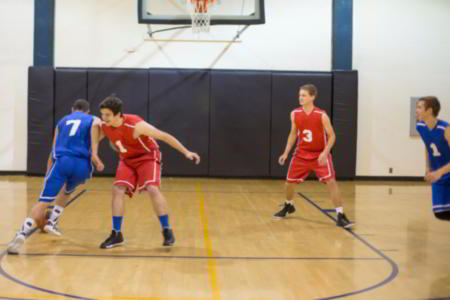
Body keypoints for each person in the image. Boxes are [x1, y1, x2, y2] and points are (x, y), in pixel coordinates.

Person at [97, 95, 200, 248]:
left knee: (152, 188)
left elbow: (164, 136)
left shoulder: (137, 125)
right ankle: (116, 233)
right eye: (102, 114)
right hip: (127, 159)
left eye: (107, 115)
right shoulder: (104, 126)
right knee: (118, 189)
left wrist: (186, 152)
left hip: (147, 156)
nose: (103, 118)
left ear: (118, 114)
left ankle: (166, 229)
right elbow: (93, 139)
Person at [7, 99, 104, 254]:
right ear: (87, 111)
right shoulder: (93, 120)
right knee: (67, 190)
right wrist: (97, 161)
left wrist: (49, 168)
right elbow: (95, 143)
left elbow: (54, 148)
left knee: (43, 201)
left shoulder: (63, 120)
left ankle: (22, 233)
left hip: (62, 161)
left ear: (72, 109)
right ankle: (52, 220)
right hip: (82, 165)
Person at [275, 84, 353, 228]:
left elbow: (332, 136)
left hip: (319, 155)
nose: (300, 98)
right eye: (299, 95)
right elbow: (293, 134)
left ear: (312, 97)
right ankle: (288, 206)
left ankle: (341, 215)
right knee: (288, 183)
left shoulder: (321, 115)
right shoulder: (294, 113)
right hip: (301, 155)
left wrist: (325, 152)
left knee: (331, 182)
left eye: (304, 95)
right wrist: (286, 152)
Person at [416, 96, 450, 220]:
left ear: (429, 110)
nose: (416, 110)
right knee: (440, 213)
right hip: (438, 174)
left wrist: (439, 172)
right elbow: (428, 145)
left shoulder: (445, 129)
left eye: (419, 107)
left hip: (445, 171)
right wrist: (428, 167)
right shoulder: (420, 126)